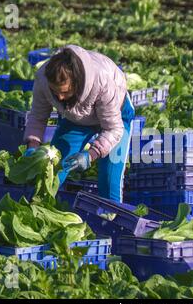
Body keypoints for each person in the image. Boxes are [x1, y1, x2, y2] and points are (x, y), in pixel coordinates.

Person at [23, 45, 135, 203]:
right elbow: (37, 116)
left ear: (77, 82)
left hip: (116, 117)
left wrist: (91, 155)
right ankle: (36, 210)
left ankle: (110, 220)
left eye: (65, 91)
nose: (60, 97)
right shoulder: (43, 78)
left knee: (109, 180)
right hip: (76, 118)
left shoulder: (101, 80)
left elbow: (113, 129)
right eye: (55, 91)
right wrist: (32, 145)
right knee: (54, 170)